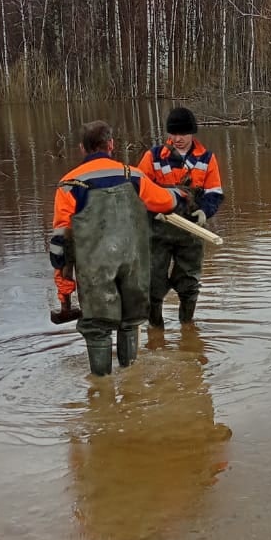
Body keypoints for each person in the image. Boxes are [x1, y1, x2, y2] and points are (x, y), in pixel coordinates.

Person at [50, 119, 186, 376]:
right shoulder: (133, 175)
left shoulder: (69, 184)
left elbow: (60, 243)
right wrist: (179, 194)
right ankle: (130, 380)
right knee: (130, 322)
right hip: (133, 265)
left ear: (82, 148)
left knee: (98, 328)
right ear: (111, 144)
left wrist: (64, 290)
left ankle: (101, 390)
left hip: (94, 270)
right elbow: (164, 202)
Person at [137, 106, 224, 326]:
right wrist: (151, 210)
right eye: (173, 134)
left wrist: (204, 212)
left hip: (191, 232)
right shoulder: (153, 157)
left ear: (192, 133)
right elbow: (137, 190)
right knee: (153, 284)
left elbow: (215, 193)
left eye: (182, 134)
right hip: (156, 232)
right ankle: (156, 329)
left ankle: (188, 329)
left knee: (189, 284)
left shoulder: (206, 159)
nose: (177, 139)